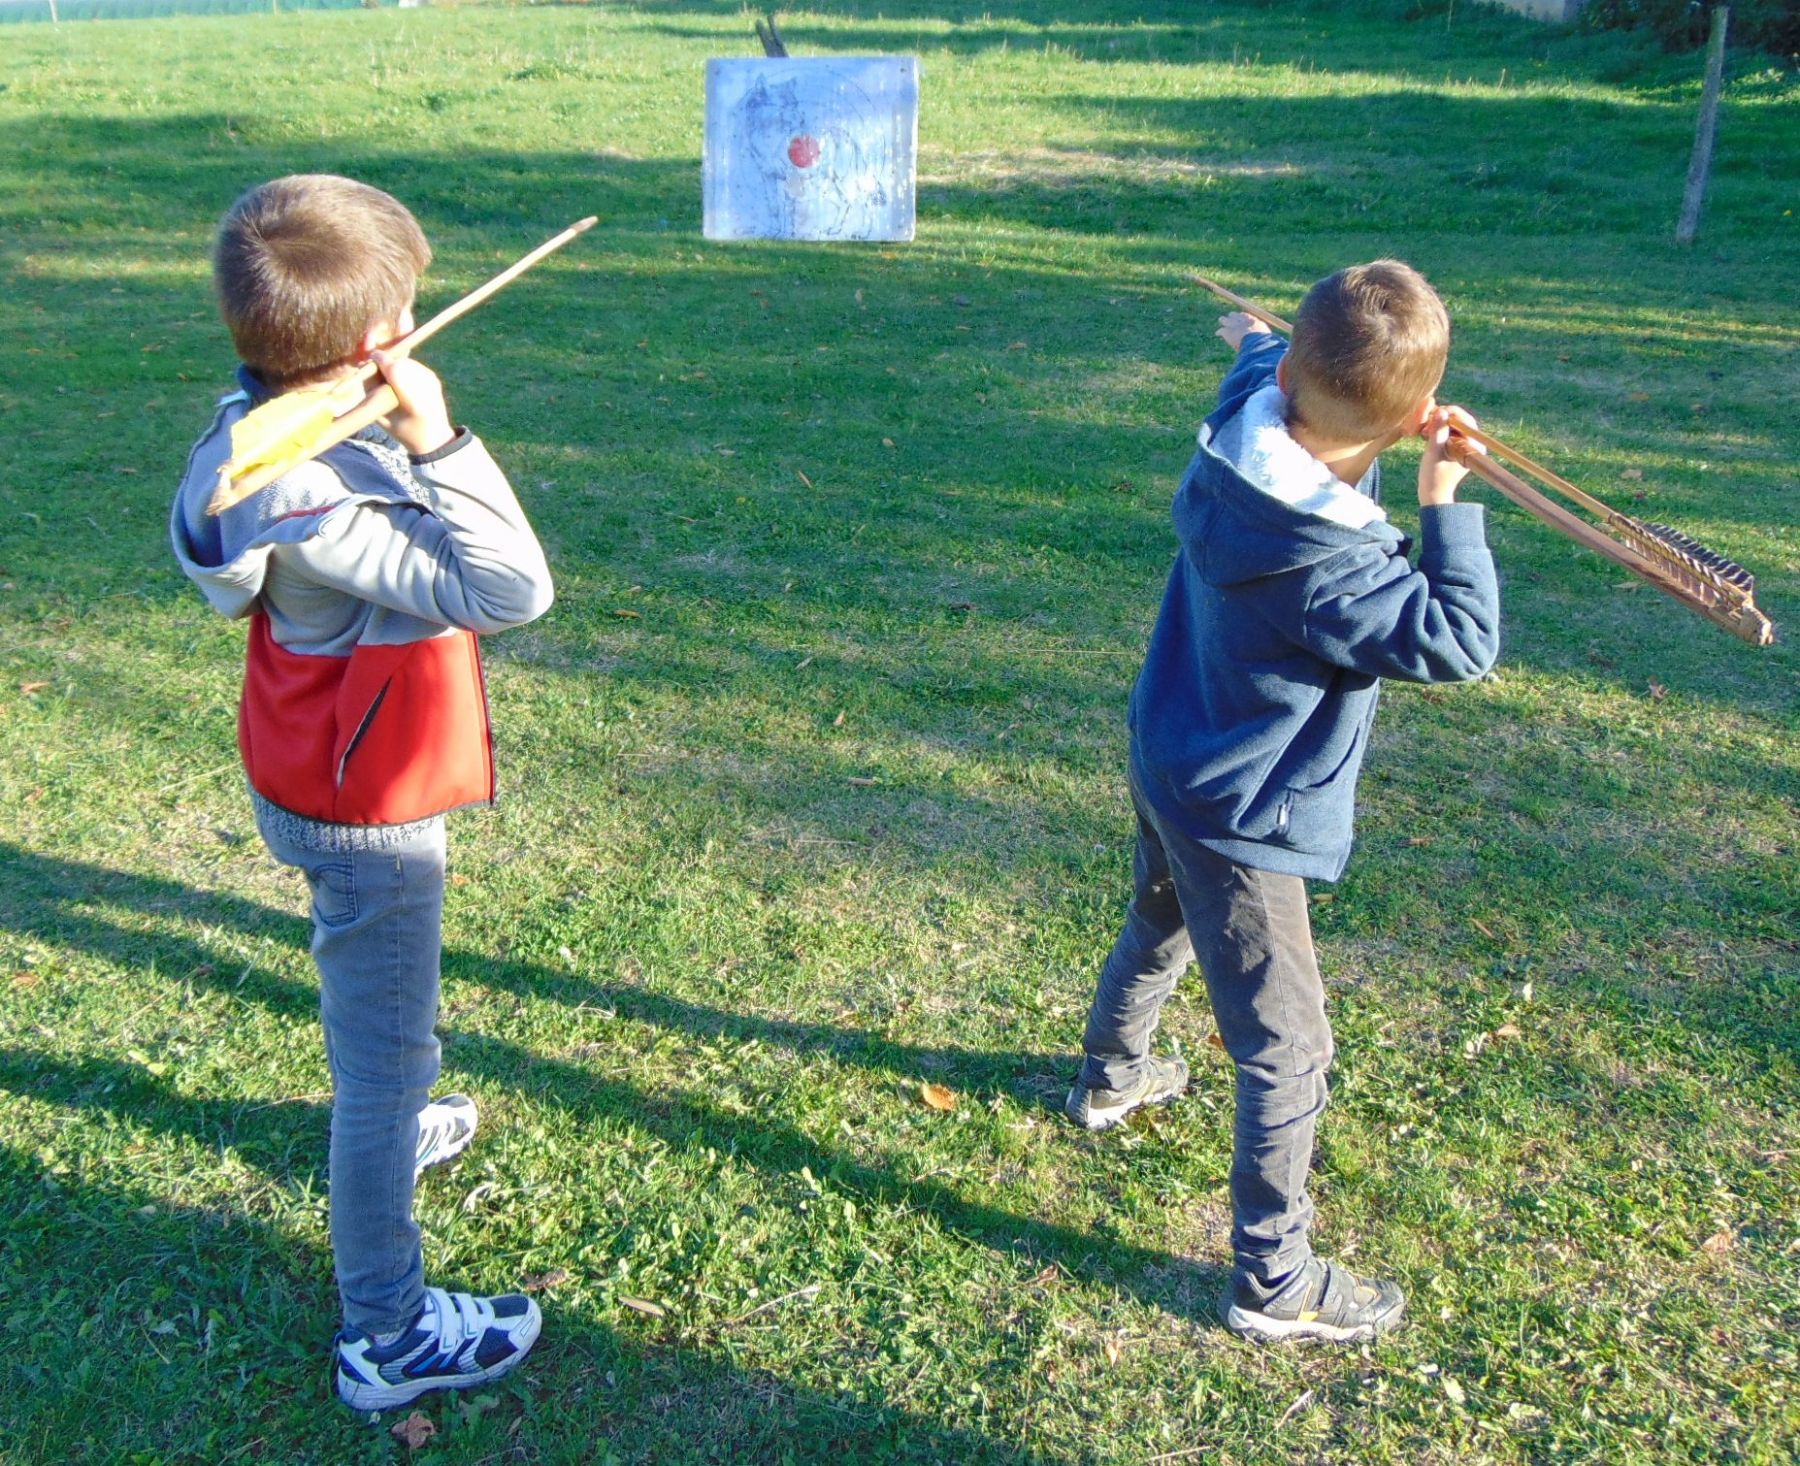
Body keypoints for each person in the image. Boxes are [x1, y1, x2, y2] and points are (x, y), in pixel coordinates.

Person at [170, 174, 555, 1409]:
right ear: (376, 341)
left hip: (309, 769)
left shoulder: (252, 423)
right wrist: (435, 438)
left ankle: (395, 1127)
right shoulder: (322, 488)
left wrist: (367, 417)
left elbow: (213, 554)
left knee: (380, 1048)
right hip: (365, 811)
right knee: (385, 1066)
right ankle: (387, 1337)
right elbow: (509, 589)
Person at [1066, 260, 1501, 1343]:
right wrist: (1443, 500)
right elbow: (1457, 640)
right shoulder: (1334, 568)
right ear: (1405, 424)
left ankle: (1114, 1077)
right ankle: (1276, 1280)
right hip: (1245, 816)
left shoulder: (1243, 418)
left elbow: (1259, 354)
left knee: (1160, 915)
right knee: (1287, 1049)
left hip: (1171, 750)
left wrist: (1262, 337)